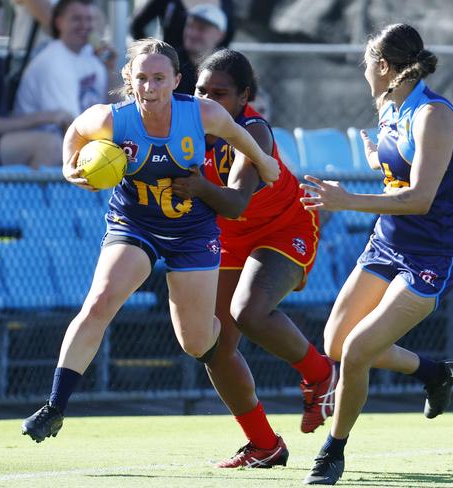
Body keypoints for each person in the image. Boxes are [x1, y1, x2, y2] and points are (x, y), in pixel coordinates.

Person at [20, 38, 279, 443]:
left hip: (192, 232)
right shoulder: (111, 119)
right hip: (134, 225)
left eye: (159, 78)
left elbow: (238, 133)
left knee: (195, 342)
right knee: (100, 302)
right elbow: (75, 131)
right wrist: (70, 168)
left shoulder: (201, 113)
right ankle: (54, 406)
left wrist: (264, 163)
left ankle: (219, 334)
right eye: (141, 78)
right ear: (129, 79)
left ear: (177, 80)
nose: (150, 87)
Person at [298, 24, 453, 485]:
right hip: (388, 243)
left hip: (432, 255)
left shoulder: (434, 115)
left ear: (386, 67)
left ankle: (333, 451)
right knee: (336, 343)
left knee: (355, 352)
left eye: (367, 63)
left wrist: (346, 199)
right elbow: (398, 166)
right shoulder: (389, 108)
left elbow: (419, 198)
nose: (364, 72)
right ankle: (435, 372)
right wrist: (377, 159)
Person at [171, 48, 336, 468]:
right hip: (228, 236)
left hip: (284, 228)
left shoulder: (253, 130)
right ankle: (265, 445)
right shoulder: (181, 123)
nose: (207, 100)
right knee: (215, 346)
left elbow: (235, 201)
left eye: (220, 93)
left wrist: (193, 186)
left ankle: (320, 374)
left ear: (244, 97)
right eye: (200, 90)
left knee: (248, 311)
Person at [0, 0, 69, 167]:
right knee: (49, 145)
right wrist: (45, 117)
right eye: (0, 24)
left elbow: (2, 119)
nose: (1, 31)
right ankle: (19, 194)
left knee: (64, 141)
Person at [13, 0, 117, 128]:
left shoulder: (91, 54)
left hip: (89, 136)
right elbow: (71, 128)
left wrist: (110, 70)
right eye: (76, 19)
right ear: (59, 23)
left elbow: (116, 110)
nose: (84, 25)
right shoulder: (53, 63)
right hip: (52, 142)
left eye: (89, 19)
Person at [174, 3, 228, 95]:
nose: (193, 33)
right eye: (190, 26)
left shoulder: (227, 70)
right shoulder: (169, 62)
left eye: (201, 28)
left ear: (220, 35)